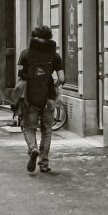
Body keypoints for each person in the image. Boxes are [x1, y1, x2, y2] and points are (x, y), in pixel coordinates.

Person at [18, 25, 65, 173]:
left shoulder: (26, 53)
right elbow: (62, 78)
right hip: (49, 97)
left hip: (31, 97)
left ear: (34, 37)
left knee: (29, 127)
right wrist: (51, 86)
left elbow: (20, 77)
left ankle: (33, 148)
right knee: (47, 130)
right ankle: (44, 163)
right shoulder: (55, 56)